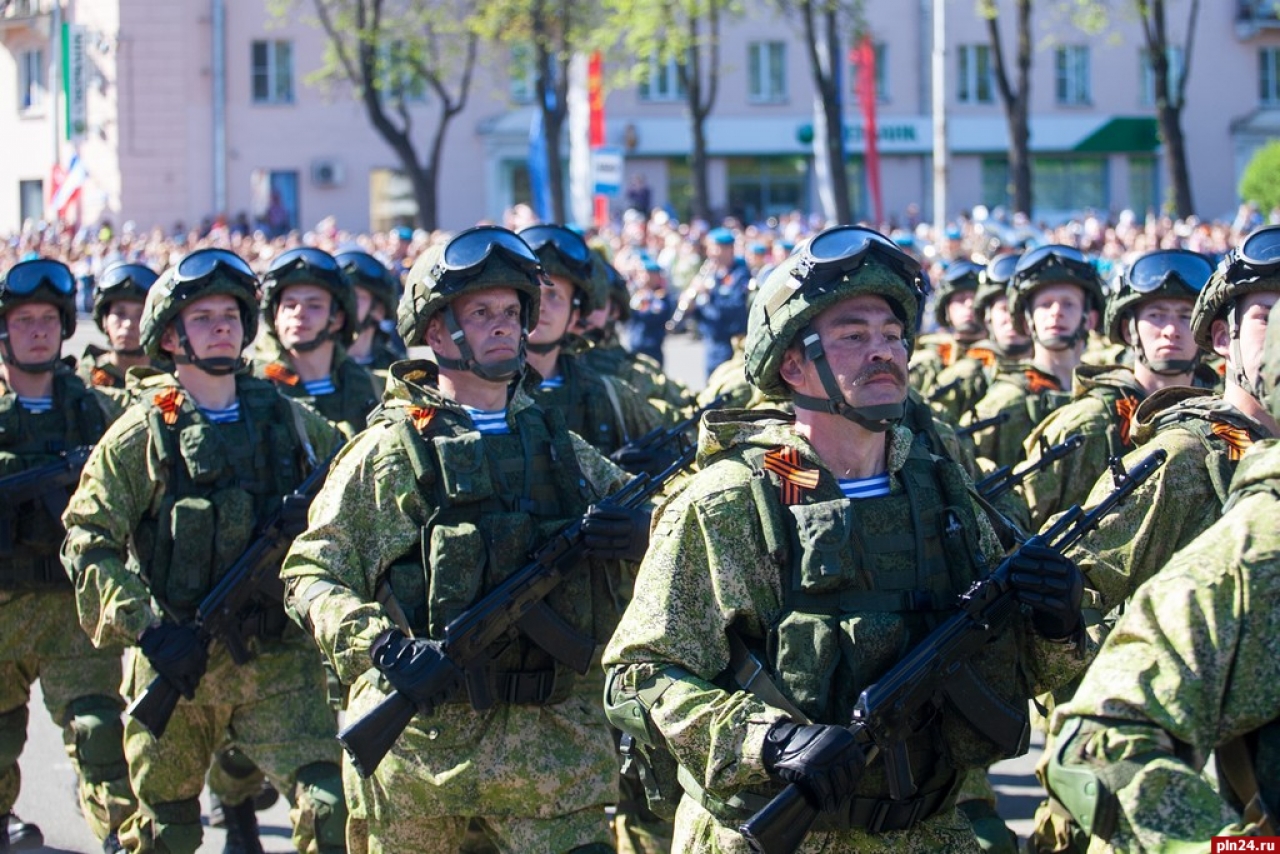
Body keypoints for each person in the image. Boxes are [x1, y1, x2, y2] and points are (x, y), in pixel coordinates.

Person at [602, 226, 1089, 853]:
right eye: (853, 337)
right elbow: (638, 676)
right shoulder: (731, 502)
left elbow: (1014, 669)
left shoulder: (942, 493)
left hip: (927, 831)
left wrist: (1057, 623)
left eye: (891, 336)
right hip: (780, 833)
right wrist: (768, 742)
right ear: (792, 363)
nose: (882, 352)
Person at [279, 226, 651, 853]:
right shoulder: (393, 450)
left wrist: (643, 529)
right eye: (481, 313)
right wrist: (381, 647)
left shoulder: (557, 445)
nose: (503, 325)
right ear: (434, 332)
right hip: (422, 757)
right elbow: (311, 573)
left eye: (511, 312)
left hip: (550, 754)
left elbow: (663, 519)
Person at [60, 248, 348, 854]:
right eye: (202, 316)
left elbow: (357, 478)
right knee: (168, 830)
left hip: (277, 663)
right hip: (178, 660)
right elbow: (88, 541)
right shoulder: (144, 433)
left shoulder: (292, 421)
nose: (221, 325)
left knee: (330, 806)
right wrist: (145, 628)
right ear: (169, 337)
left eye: (231, 314)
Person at [1042, 300, 1280, 852]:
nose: (1171, 329)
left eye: (1181, 314)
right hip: (1159, 753)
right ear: (1225, 336)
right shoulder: (1183, 458)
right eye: (1268, 314)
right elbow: (1074, 582)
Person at [0, 258, 133, 852]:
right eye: (23, 320)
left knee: (101, 733)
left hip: (73, 612)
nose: (37, 331)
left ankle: (118, 837)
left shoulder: (97, 411)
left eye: (48, 320)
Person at [1019, 249, 1214, 531]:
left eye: (1186, 316)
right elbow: (1019, 511)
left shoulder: (1226, 424)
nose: (1171, 330)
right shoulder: (1087, 423)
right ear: (1128, 329)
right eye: (1156, 315)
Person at [516, 225, 664, 464]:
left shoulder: (611, 395)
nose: (541, 305)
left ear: (574, 315)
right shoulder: (483, 394)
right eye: (533, 293)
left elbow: (677, 452)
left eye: (555, 295)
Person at [961, 245, 1104, 471]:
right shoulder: (1002, 403)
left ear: (1090, 320)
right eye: (1045, 304)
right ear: (1027, 322)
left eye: (1068, 303)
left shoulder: (1110, 399)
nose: (1056, 312)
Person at [253, 247, 379, 438]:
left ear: (337, 319)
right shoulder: (255, 386)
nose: (299, 313)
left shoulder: (370, 386)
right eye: (289, 305)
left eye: (314, 305)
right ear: (275, 316)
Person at [78, 262, 162, 401]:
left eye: (140, 315)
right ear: (105, 321)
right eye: (120, 313)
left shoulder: (172, 381)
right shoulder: (82, 382)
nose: (128, 324)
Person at [675, 228, 752, 380]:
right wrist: (692, 307)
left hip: (731, 344)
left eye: (715, 248)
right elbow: (707, 309)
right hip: (711, 342)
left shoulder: (740, 274)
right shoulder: (713, 273)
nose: (711, 253)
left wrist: (709, 293)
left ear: (728, 249)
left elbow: (736, 307)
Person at [910, 258, 986, 397]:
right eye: (961, 300)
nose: (969, 305)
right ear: (946, 310)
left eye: (976, 299)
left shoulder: (1003, 358)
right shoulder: (927, 357)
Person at [337, 249, 406, 379]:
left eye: (355, 297)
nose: (344, 303)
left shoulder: (398, 370)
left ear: (378, 310)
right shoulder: (317, 364)